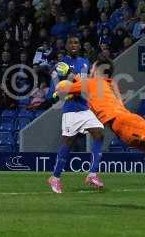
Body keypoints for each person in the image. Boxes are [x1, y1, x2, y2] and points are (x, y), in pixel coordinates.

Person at [47, 36, 105, 194]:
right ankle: (55, 177)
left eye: (77, 42)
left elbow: (84, 85)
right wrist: (56, 94)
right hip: (71, 109)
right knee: (67, 144)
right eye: (71, 43)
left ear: (80, 46)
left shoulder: (85, 62)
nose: (74, 45)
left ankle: (92, 174)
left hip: (84, 108)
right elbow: (54, 89)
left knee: (99, 133)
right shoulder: (60, 65)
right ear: (66, 45)